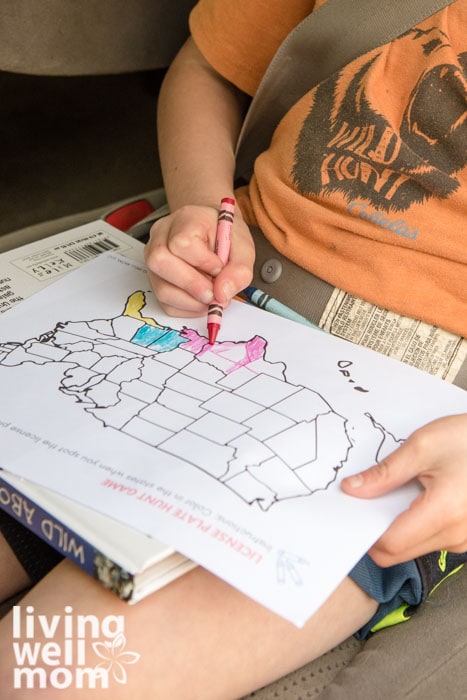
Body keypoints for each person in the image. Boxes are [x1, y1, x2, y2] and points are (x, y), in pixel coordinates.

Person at [0, 1, 466, 697]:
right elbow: (212, 69)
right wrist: (200, 206)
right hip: (202, 307)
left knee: (48, 675)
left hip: (398, 440)